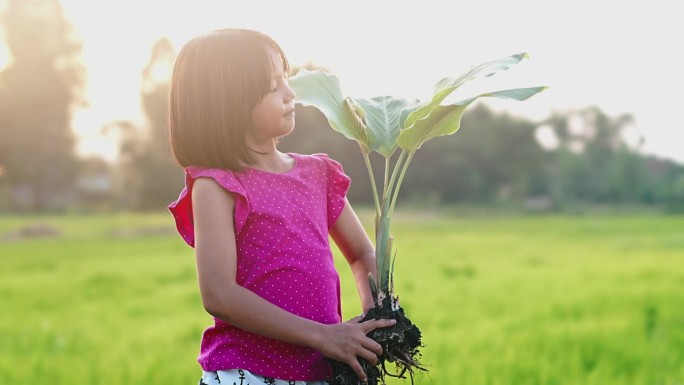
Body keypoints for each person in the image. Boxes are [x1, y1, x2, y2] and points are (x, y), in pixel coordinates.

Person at [167, 28, 394, 385]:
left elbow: (361, 254)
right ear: (229, 102)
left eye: (285, 80)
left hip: (321, 370)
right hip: (248, 373)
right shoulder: (217, 184)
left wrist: (374, 315)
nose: (290, 94)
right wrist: (323, 335)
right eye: (273, 87)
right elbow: (218, 293)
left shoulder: (317, 173)